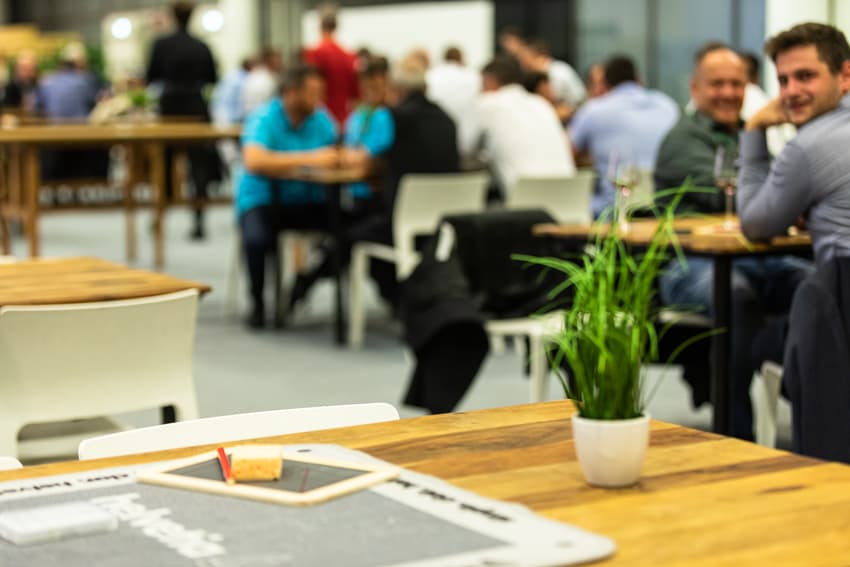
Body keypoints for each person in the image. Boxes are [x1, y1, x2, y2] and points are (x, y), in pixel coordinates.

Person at [654, 43, 812, 440]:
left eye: (736, 84)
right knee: (735, 296)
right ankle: (734, 431)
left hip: (758, 256)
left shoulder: (745, 134)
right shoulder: (681, 139)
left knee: (818, 287)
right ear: (695, 88)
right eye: (717, 84)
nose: (728, 92)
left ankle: (805, 393)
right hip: (690, 264)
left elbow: (774, 192)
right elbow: (744, 195)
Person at [345, 55, 459, 306]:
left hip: (401, 221)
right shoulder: (448, 120)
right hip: (442, 223)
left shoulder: (391, 117)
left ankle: (396, 301)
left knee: (348, 234)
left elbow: (360, 159)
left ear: (395, 90)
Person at [236, 65, 340, 329]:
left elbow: (336, 153)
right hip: (263, 200)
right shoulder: (264, 118)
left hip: (307, 200)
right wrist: (310, 159)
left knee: (349, 233)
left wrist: (285, 163)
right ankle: (258, 303)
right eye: (312, 93)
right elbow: (255, 160)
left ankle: (303, 284)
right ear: (291, 93)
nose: (318, 100)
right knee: (256, 239)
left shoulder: (321, 119)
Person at [739, 23, 850, 262]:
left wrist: (754, 128)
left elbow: (754, 226)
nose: (791, 92)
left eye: (805, 76)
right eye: (783, 81)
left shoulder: (809, 146)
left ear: (845, 76)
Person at [569, 55, 678, 217]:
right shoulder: (668, 105)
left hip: (612, 213)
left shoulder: (593, 110)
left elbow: (567, 153)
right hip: (665, 209)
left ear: (604, 85)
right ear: (639, 79)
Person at [146, 1, 220, 240]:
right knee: (198, 168)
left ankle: (159, 216)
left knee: (164, 165)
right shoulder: (202, 46)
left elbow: (150, 76)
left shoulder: (160, 45)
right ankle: (199, 221)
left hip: (169, 109)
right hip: (196, 109)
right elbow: (212, 77)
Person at [470, 57, 575, 200]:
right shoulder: (541, 104)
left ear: (490, 81)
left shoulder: (488, 103)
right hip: (571, 200)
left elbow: (465, 149)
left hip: (526, 208)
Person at [303, 5, 359, 125]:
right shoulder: (348, 56)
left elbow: (309, 90)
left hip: (319, 119)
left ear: (320, 26)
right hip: (343, 118)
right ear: (336, 27)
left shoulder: (314, 54)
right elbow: (355, 92)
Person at [426, 46, 481, 155]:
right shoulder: (473, 76)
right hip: (468, 143)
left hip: (436, 142)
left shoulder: (430, 75)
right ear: (461, 59)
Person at [518, 40, 586, 110]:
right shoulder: (556, 68)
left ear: (539, 57)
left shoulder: (555, 72)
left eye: (526, 59)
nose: (524, 65)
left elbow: (551, 100)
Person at [241, 47, 283, 118]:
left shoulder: (255, 75)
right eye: (278, 61)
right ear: (269, 61)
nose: (281, 64)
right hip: (260, 117)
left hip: (251, 116)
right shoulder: (265, 80)